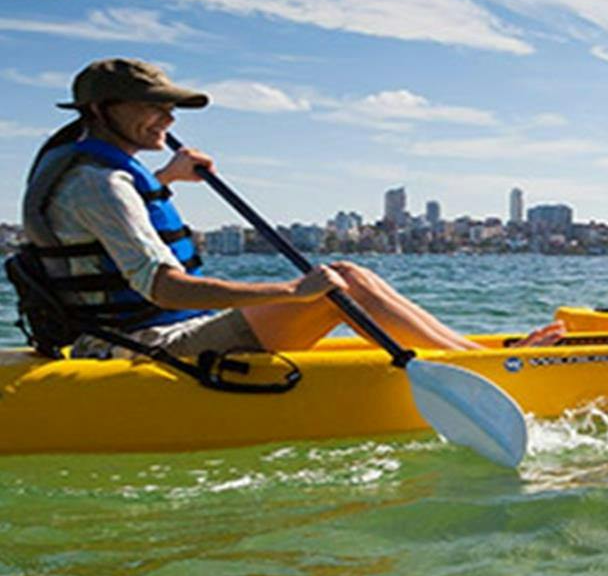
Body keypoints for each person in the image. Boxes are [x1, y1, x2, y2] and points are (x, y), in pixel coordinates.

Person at [14, 57, 561, 360]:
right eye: (154, 107)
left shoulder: (92, 174)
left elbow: (101, 225)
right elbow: (164, 287)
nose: (169, 120)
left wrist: (166, 179)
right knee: (334, 289)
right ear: (99, 110)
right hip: (136, 349)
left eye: (171, 108)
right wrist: (289, 293)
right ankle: (486, 368)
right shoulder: (100, 180)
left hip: (147, 334)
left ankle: (471, 356)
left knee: (345, 274)